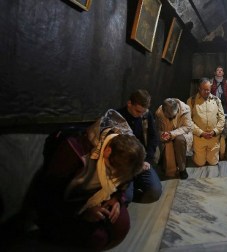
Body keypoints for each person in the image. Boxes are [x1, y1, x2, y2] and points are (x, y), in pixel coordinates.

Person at [36, 110, 146, 250]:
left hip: (97, 199)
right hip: (67, 207)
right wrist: (82, 213)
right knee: (97, 238)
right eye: (113, 172)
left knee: (121, 225)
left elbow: (123, 182)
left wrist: (117, 198)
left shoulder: (125, 148)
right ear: (107, 151)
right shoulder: (74, 152)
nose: (115, 179)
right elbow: (49, 196)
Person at [117, 90, 162, 203]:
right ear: (129, 104)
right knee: (126, 198)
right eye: (138, 111)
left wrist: (147, 160)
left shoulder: (146, 115)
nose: (141, 115)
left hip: (143, 161)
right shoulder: (118, 117)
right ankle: (128, 192)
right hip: (124, 165)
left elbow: (153, 138)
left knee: (155, 192)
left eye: (143, 111)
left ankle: (131, 190)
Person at [187, 77, 225, 166]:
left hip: (213, 138)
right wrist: (201, 133)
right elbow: (188, 121)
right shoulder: (191, 101)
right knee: (200, 163)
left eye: (208, 89)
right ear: (199, 88)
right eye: (204, 90)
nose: (207, 92)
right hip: (199, 138)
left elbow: (222, 119)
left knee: (213, 163)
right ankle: (197, 154)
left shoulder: (216, 100)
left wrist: (215, 131)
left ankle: (215, 153)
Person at [155, 98, 193, 179]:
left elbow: (187, 127)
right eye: (168, 117)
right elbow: (157, 130)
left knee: (179, 140)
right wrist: (163, 135)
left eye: (172, 117)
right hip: (166, 135)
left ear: (178, 110)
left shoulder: (185, 109)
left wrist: (172, 134)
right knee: (168, 143)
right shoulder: (159, 113)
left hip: (182, 134)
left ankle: (182, 169)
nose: (170, 119)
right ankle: (170, 168)